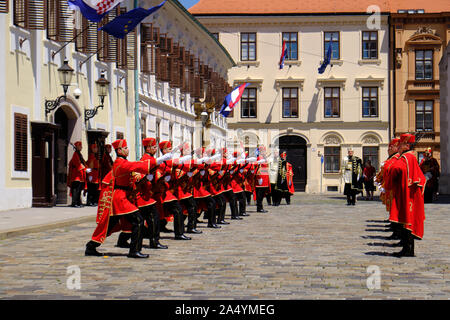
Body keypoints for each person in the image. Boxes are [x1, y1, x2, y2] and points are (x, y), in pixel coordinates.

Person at [84, 139, 160, 258]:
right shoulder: (120, 162)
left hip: (123, 196)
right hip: (119, 197)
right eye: (125, 148)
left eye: (126, 148)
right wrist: (157, 161)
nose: (127, 150)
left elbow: (134, 173)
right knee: (138, 220)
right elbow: (134, 166)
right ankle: (134, 250)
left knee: (109, 226)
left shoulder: (123, 161)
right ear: (118, 150)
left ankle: (91, 246)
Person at [385, 133, 426, 257]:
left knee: (407, 220)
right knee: (405, 220)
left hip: (408, 195)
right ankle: (406, 247)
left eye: (401, 145)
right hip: (406, 193)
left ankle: (408, 249)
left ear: (406, 145)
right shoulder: (409, 157)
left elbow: (396, 169)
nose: (399, 147)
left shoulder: (406, 158)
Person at [67, 141, 89, 208]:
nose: (81, 147)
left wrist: (86, 168)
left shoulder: (79, 154)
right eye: (80, 146)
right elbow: (78, 164)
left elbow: (82, 162)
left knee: (79, 190)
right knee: (75, 190)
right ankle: (74, 203)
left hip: (80, 175)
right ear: (77, 147)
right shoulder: (75, 154)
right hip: (76, 176)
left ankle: (78, 202)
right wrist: (85, 169)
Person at [255, 145, 270, 212]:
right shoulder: (259, 158)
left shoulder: (264, 158)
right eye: (263, 151)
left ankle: (260, 207)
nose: (265, 152)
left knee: (262, 194)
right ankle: (259, 208)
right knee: (260, 194)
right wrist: (259, 177)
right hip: (261, 178)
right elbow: (257, 168)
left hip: (265, 178)